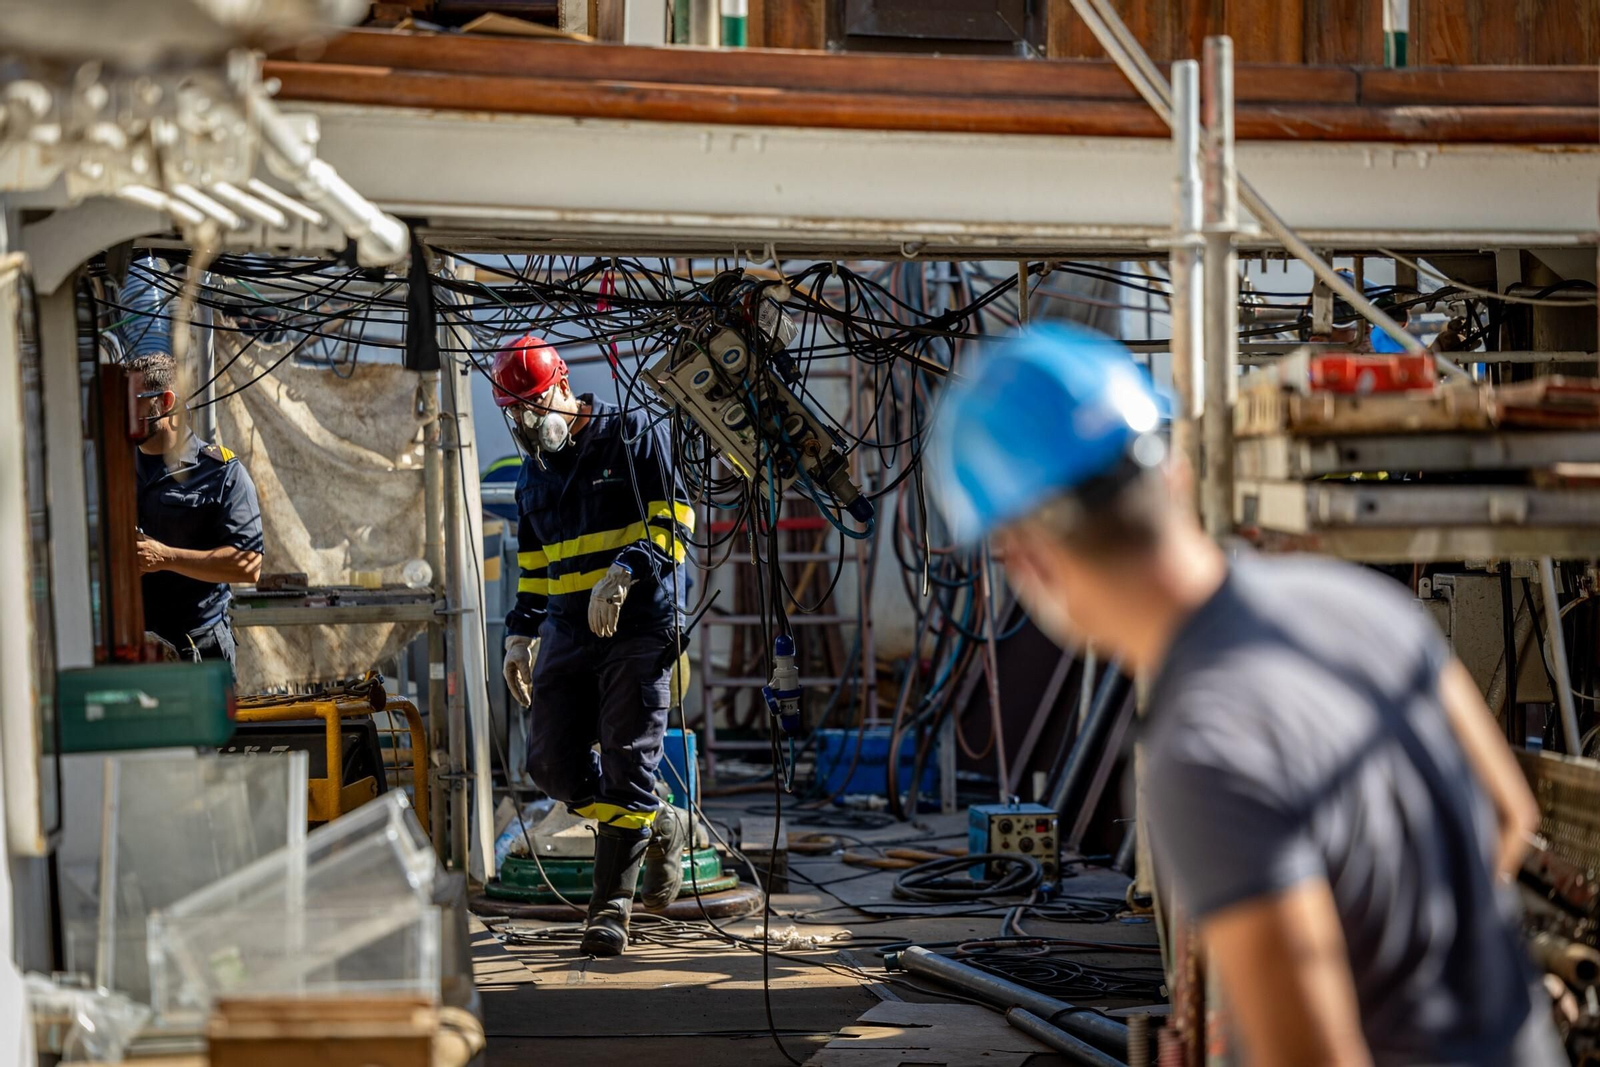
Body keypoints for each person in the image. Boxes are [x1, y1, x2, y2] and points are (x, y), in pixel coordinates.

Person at [928, 323, 1561, 1066]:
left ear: (1029, 559)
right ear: (1174, 476)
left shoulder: (1202, 748)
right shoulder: (1360, 603)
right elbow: (1510, 816)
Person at [493, 333, 695, 957]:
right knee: (548, 761)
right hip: (567, 630)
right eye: (514, 415)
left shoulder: (629, 436)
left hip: (637, 628)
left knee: (628, 758)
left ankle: (609, 910)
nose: (525, 426)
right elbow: (533, 563)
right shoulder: (533, 471)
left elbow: (676, 523)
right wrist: (520, 635)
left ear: (559, 388)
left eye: (532, 409)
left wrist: (626, 570)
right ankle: (659, 822)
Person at [129, 353, 263, 665]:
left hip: (200, 651)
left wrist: (167, 557)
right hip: (135, 651)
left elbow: (248, 566)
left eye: (132, 400)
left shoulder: (221, 472)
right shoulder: (112, 469)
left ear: (165, 402)